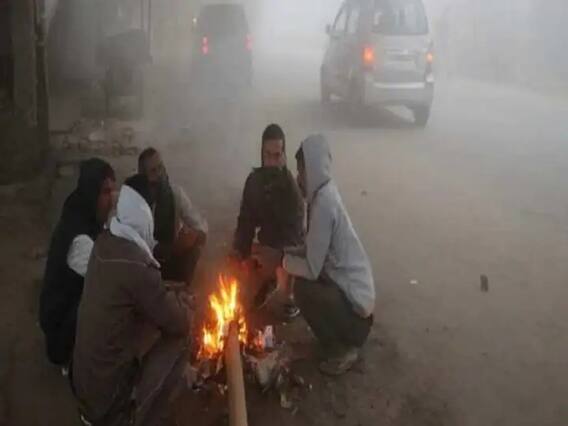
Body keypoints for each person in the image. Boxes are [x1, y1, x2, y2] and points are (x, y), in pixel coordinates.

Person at [73, 175, 192, 426]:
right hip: (107, 410)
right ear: (144, 214)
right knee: (183, 337)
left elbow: (136, 290)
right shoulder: (138, 267)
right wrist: (184, 304)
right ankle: (140, 417)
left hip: (85, 392)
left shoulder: (105, 242)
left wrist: (167, 291)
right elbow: (179, 322)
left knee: (150, 321)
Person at [254, 134, 375, 376]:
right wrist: (283, 253)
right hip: (351, 304)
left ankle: (343, 350)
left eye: (302, 172)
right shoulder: (322, 195)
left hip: (357, 320)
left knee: (303, 289)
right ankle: (334, 339)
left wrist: (279, 260)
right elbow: (312, 249)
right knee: (302, 279)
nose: (299, 178)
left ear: (314, 170)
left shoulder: (324, 205)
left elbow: (312, 268)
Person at [39, 158, 116, 371]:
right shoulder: (79, 238)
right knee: (114, 299)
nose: (111, 200)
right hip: (61, 339)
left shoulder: (80, 214)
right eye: (105, 192)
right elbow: (112, 281)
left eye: (112, 191)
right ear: (91, 194)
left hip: (66, 319)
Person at [232, 124, 304, 316]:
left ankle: (289, 295)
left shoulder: (292, 192)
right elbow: (245, 222)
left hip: (288, 252)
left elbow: (296, 239)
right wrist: (239, 252)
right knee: (238, 275)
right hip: (265, 248)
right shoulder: (254, 182)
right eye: (268, 155)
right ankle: (265, 284)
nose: (272, 161)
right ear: (261, 154)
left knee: (285, 284)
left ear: (284, 156)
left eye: (277, 155)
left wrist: (276, 259)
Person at [138, 147, 208, 286]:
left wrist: (194, 236)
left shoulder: (175, 194)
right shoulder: (136, 200)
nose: (159, 174)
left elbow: (199, 224)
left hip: (172, 259)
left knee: (193, 250)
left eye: (160, 167)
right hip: (144, 262)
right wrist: (165, 249)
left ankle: (180, 289)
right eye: (153, 171)